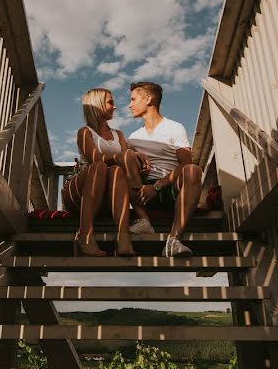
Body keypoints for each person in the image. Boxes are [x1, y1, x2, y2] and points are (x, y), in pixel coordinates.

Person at [122, 81, 201, 257]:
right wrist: (133, 155)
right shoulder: (133, 138)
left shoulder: (174, 127)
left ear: (148, 99)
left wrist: (157, 186)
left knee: (193, 170)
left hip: (170, 188)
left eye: (134, 99)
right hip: (142, 193)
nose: (130, 105)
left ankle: (173, 241)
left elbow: (186, 164)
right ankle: (143, 220)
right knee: (125, 156)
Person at [62, 88, 136, 257]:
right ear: (97, 105)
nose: (115, 107)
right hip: (80, 194)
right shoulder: (85, 132)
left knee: (117, 170)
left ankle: (123, 237)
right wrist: (122, 156)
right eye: (110, 102)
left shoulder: (119, 134)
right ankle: (84, 235)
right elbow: (95, 157)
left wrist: (136, 157)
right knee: (99, 166)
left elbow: (124, 159)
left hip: (106, 199)